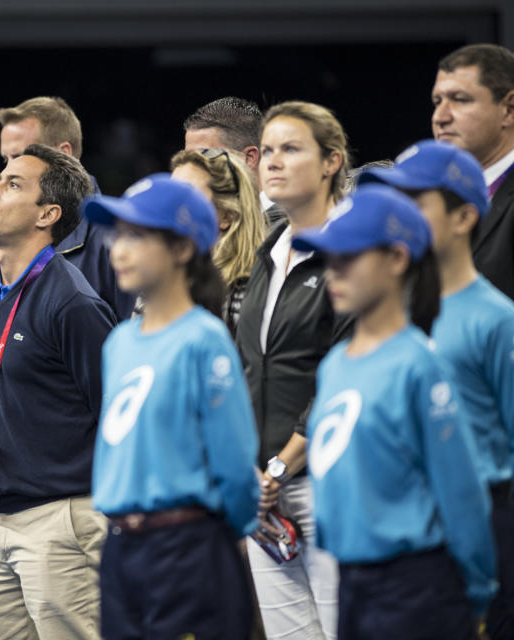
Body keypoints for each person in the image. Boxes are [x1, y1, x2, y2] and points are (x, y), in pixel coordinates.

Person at [294, 184, 496, 639]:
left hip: (416, 586)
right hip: (352, 580)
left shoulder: (420, 364)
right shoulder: (334, 367)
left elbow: (461, 493)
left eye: (350, 256)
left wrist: (477, 591)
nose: (334, 271)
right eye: (330, 257)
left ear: (397, 260)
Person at [83, 174, 260, 640]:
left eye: (137, 237)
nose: (118, 250)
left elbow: (235, 460)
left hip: (187, 546)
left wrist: (226, 537)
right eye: (118, 236)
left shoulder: (204, 338)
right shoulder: (120, 341)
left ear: (183, 249)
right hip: (122, 548)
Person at [358, 139, 514, 638]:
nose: (395, 218)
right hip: (392, 532)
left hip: (480, 526)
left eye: (414, 203)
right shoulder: (383, 315)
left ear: (464, 219)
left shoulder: (496, 320)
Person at [0, 143, 115, 639]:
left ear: (48, 214)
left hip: (60, 519)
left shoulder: (72, 302)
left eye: (13, 184)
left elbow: (114, 413)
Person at [236, 101, 354, 640]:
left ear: (331, 162)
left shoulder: (353, 250)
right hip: (266, 491)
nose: (273, 162)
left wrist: (282, 467)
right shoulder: (267, 251)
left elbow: (346, 370)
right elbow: (250, 368)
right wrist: (257, 473)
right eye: (269, 151)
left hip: (329, 482)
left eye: (292, 149)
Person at [0, 96, 135, 318]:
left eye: (20, 155)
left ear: (64, 153)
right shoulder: (11, 237)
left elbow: (136, 334)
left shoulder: (117, 237)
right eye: (6, 159)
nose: (9, 169)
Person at [432, 43, 514, 299]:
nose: (440, 117)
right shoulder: (432, 195)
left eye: (460, 99)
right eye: (437, 101)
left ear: (509, 109)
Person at [170, 148, 267, 334]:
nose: (172, 206)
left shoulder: (256, 293)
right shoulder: (158, 278)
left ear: (226, 215)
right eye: (171, 194)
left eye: (187, 196)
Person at [183, 96, 284, 223]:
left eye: (204, 156)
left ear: (249, 158)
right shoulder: (203, 224)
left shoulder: (292, 230)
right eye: (188, 158)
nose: (191, 168)